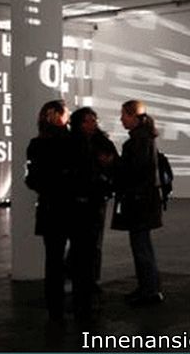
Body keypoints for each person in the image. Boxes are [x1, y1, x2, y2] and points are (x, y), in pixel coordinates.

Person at [25, 99, 82, 322]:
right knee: (77, 256)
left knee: (53, 259)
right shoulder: (73, 142)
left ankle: (54, 307)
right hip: (72, 207)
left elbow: (32, 179)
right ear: (59, 116)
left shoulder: (37, 144)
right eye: (66, 112)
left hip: (50, 207)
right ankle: (79, 303)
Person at [111, 100, 164, 306]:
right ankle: (149, 287)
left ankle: (148, 290)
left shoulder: (137, 142)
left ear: (133, 116)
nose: (121, 119)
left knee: (140, 246)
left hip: (138, 202)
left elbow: (133, 172)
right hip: (145, 201)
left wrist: (113, 164)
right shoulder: (146, 138)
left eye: (124, 115)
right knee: (143, 245)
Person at [69, 107, 118, 293]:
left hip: (96, 198)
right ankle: (79, 276)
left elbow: (116, 164)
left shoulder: (103, 142)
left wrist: (108, 165)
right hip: (77, 198)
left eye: (94, 120)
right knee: (79, 240)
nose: (92, 124)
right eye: (87, 121)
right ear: (78, 123)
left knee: (94, 241)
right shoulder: (72, 143)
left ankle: (91, 278)